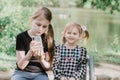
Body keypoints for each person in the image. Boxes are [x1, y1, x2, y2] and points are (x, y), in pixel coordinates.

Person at [11, 7, 54, 80]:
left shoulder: (47, 39)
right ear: (32, 20)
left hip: (40, 74)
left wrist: (41, 59)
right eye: (38, 24)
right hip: (21, 73)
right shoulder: (21, 37)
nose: (40, 29)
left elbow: (48, 68)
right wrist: (31, 51)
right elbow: (21, 66)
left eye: (44, 26)